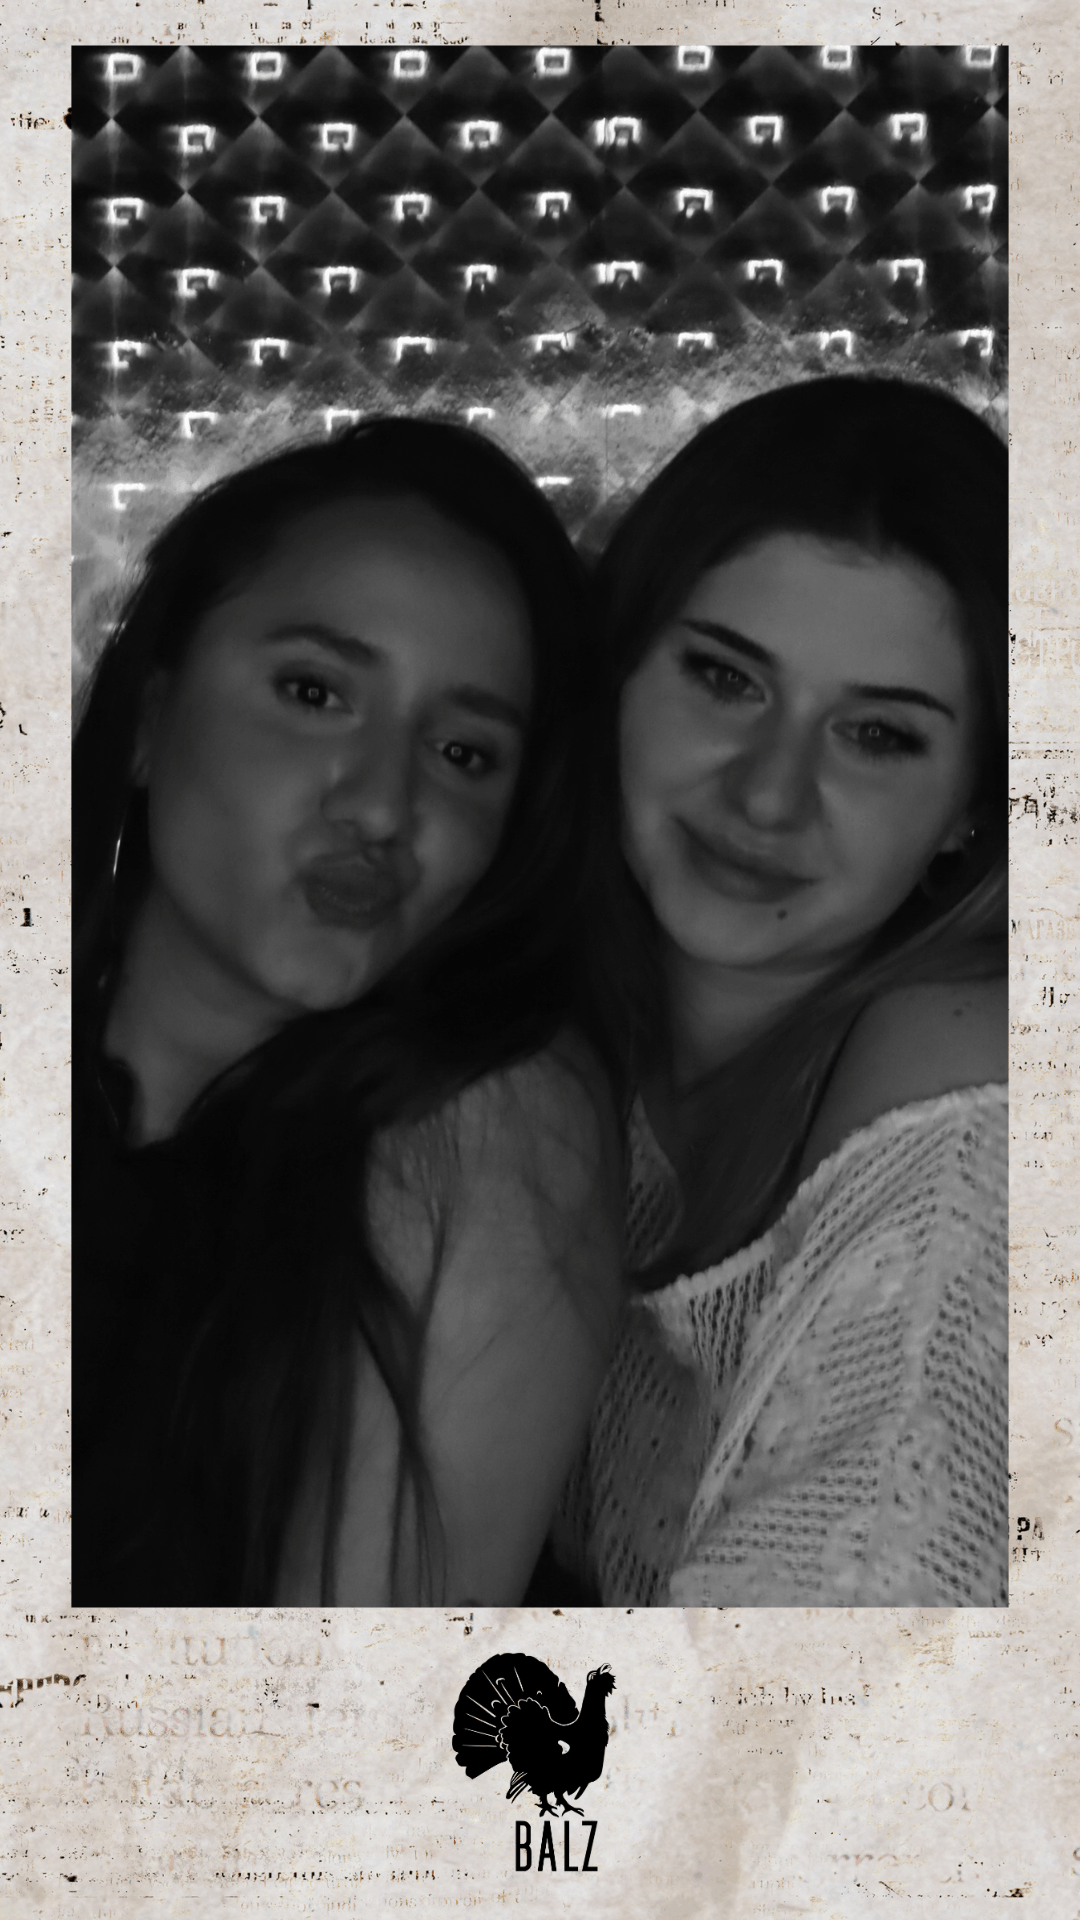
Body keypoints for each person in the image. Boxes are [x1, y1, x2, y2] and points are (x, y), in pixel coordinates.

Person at [72, 417, 628, 1608]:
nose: (381, 805)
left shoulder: (490, 1132)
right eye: (315, 692)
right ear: (154, 714)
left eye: (464, 754)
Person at [554, 376, 1008, 1607]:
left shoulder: (967, 1090)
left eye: (878, 736)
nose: (768, 793)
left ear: (969, 809)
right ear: (619, 672)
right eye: (724, 678)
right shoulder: (548, 1034)